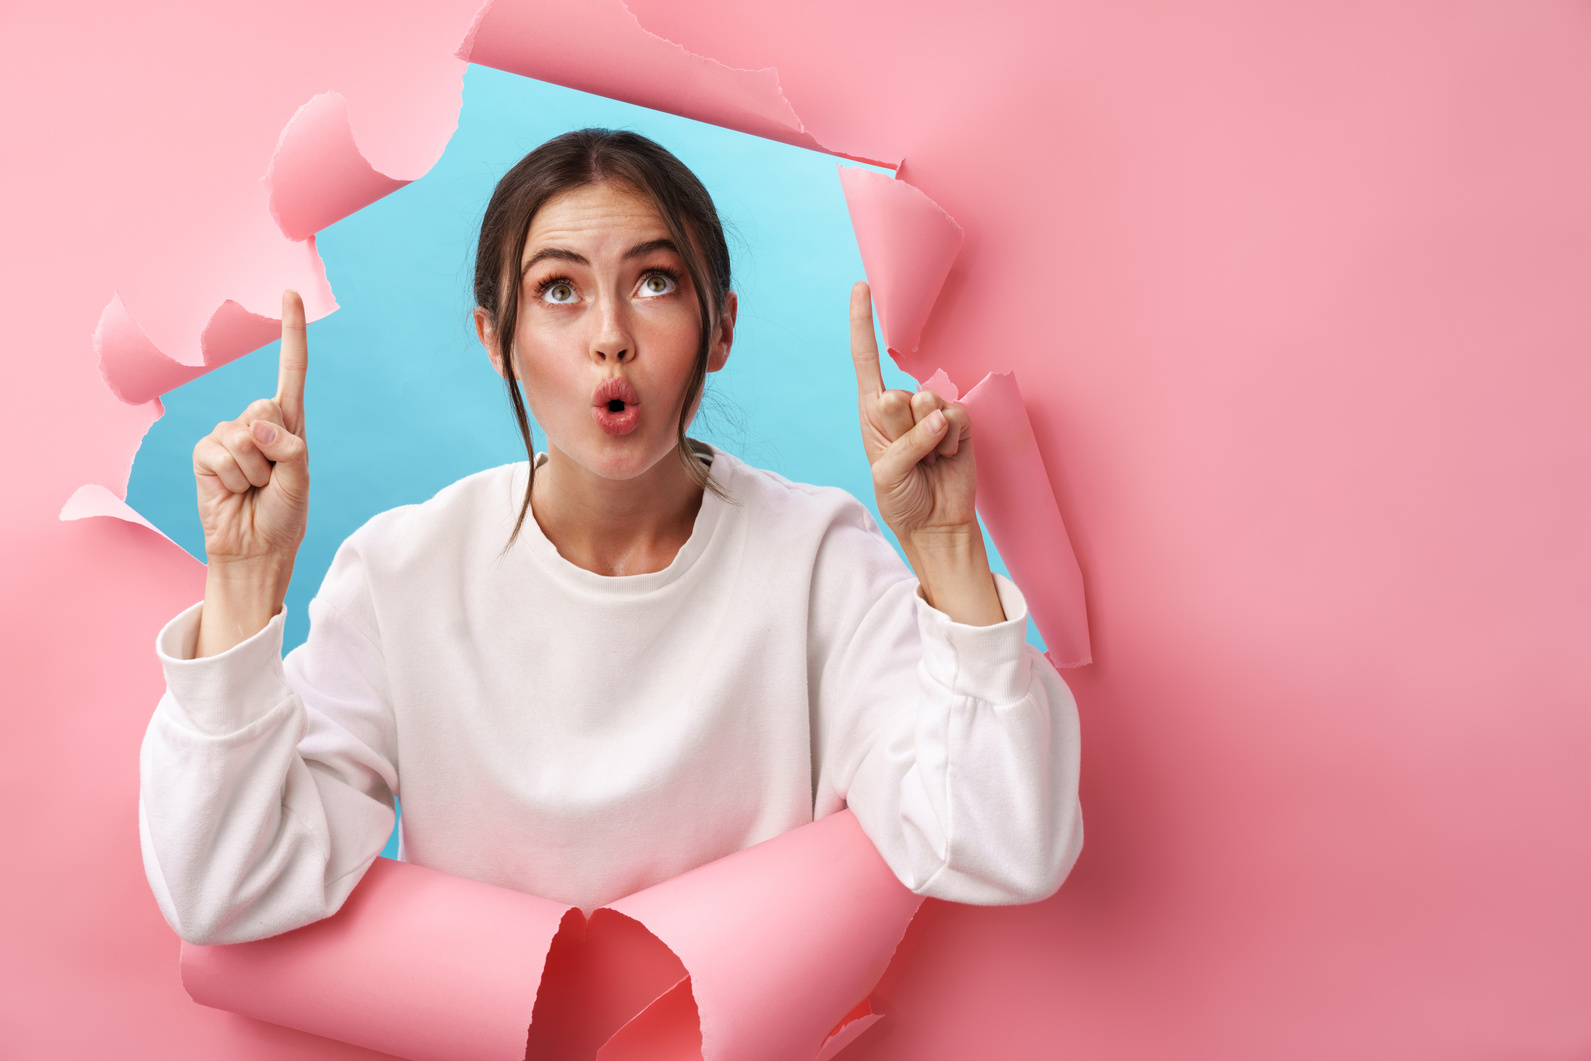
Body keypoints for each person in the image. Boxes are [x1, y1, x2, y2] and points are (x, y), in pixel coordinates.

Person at [139, 129, 1082, 945]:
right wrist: (245, 582)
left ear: (719, 330)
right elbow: (222, 887)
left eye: (656, 281)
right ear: (494, 336)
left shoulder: (818, 560)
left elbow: (1002, 845)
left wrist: (949, 545)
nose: (610, 336)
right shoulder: (401, 574)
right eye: (558, 290)